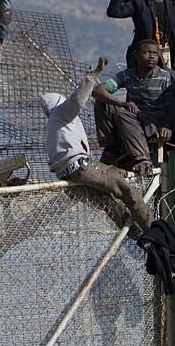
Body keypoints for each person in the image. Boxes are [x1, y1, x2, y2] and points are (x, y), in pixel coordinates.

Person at [42, 57, 153, 233]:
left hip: (68, 174)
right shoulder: (62, 112)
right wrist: (94, 74)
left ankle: (136, 236)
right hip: (80, 166)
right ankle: (152, 228)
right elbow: (77, 99)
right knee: (126, 191)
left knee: (107, 202)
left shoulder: (51, 126)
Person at [93, 40, 174, 174]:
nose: (152, 56)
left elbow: (173, 106)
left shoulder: (165, 77)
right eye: (147, 52)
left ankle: (141, 157)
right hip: (133, 119)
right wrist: (122, 103)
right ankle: (111, 146)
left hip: (154, 123)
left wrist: (167, 125)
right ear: (136, 56)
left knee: (123, 114)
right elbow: (98, 91)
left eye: (155, 53)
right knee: (102, 103)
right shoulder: (128, 75)